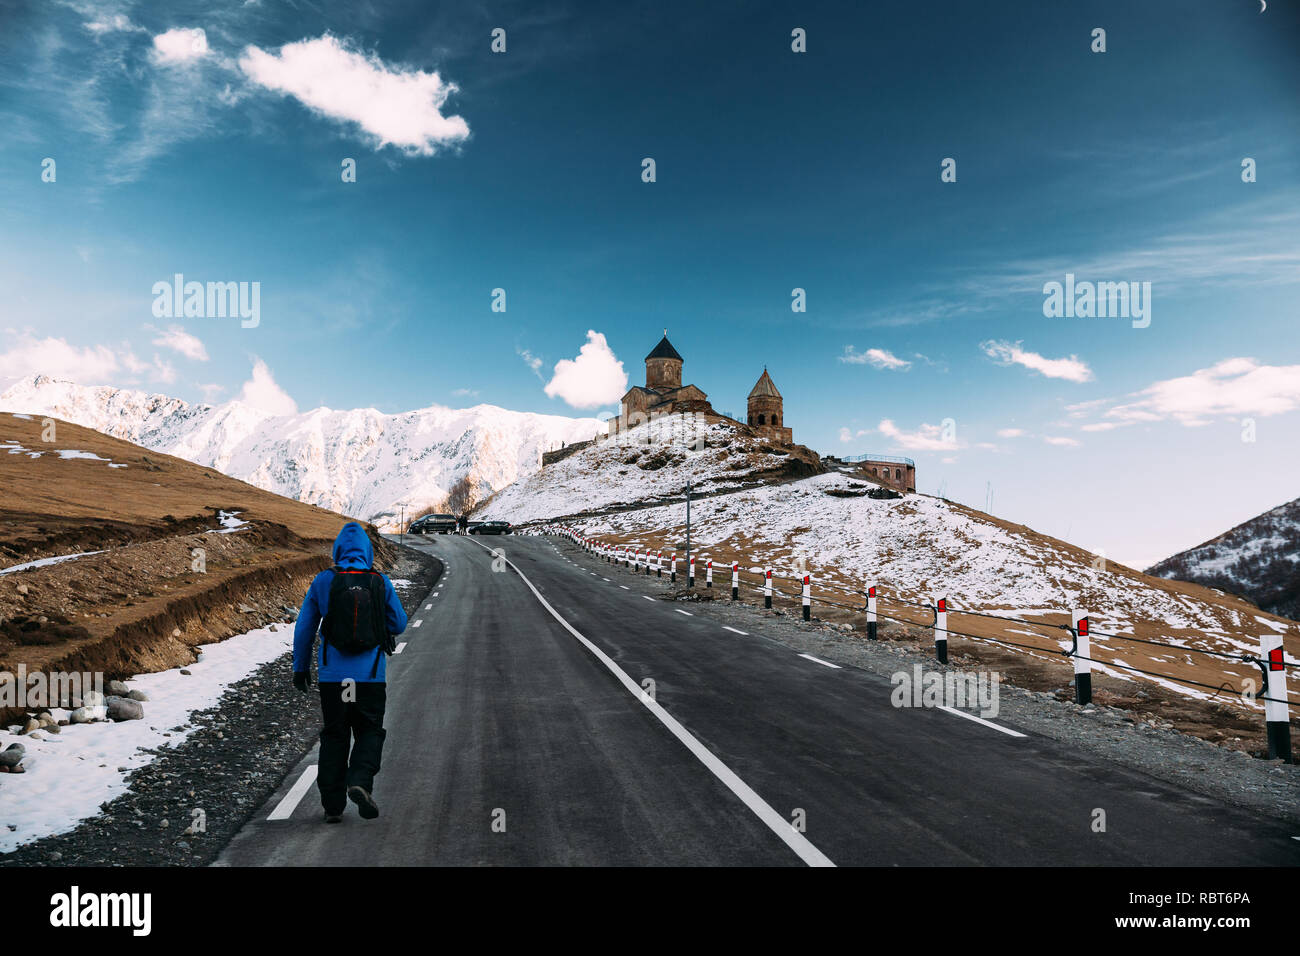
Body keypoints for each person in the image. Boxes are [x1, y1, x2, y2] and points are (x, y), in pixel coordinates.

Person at [292, 522, 408, 823]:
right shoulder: (379, 581)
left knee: (335, 736)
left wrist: (300, 667)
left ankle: (332, 806)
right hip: (370, 677)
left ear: (338, 550)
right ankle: (359, 780)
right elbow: (399, 624)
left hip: (334, 678)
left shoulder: (323, 581)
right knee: (369, 731)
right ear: (368, 552)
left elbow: (304, 628)